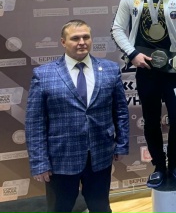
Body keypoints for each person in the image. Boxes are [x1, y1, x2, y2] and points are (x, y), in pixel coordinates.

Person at [26, 20, 129, 213]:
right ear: (63, 42)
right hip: (61, 159)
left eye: (86, 37)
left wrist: (122, 144)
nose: (82, 42)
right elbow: (35, 123)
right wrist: (39, 162)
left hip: (100, 155)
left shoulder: (110, 69)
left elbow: (121, 111)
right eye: (75, 38)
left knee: (101, 208)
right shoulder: (43, 74)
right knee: (59, 209)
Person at [111, 0, 176, 188]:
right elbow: (117, 29)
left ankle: (175, 163)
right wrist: (133, 54)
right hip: (146, 69)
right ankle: (158, 166)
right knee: (151, 120)